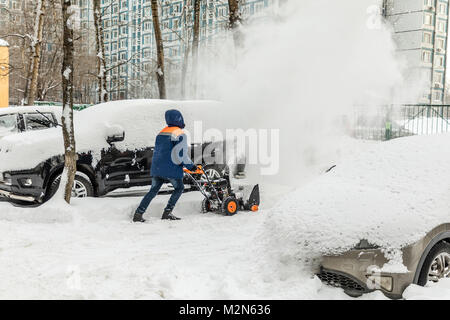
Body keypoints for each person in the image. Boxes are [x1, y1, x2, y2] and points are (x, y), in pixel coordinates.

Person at [132, 109, 200, 222]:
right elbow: (181, 155)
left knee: (153, 191)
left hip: (157, 168)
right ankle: (167, 212)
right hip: (171, 168)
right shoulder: (179, 133)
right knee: (179, 188)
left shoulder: (161, 132)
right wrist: (191, 166)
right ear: (179, 119)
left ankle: (138, 214)